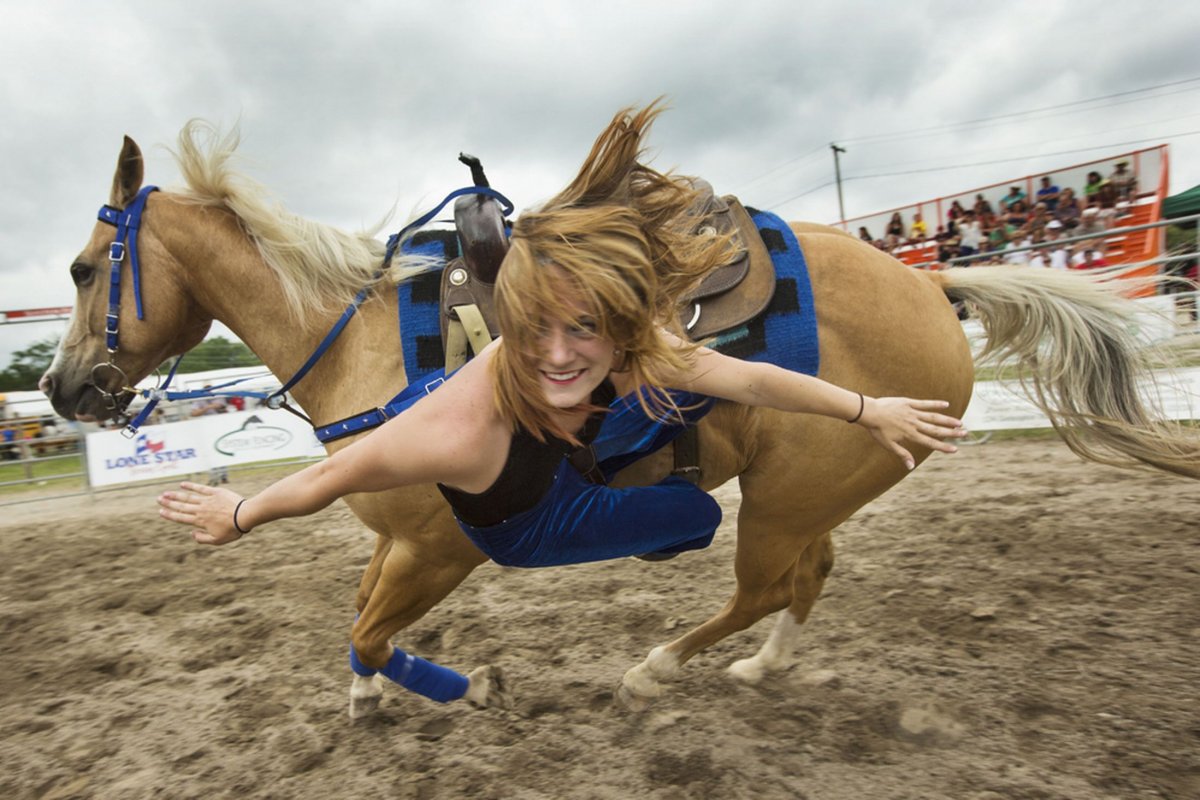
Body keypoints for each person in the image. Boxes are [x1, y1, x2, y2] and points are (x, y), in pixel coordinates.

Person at [157, 105, 966, 705]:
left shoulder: (624, 349)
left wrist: (869, 411)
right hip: (530, 528)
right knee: (697, 518)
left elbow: (750, 380)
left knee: (681, 398)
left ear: (613, 325)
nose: (562, 354)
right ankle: (407, 664)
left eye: (587, 328)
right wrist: (240, 516)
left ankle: (625, 451)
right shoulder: (459, 426)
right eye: (540, 328)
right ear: (514, 324)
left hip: (572, 464)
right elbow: (330, 479)